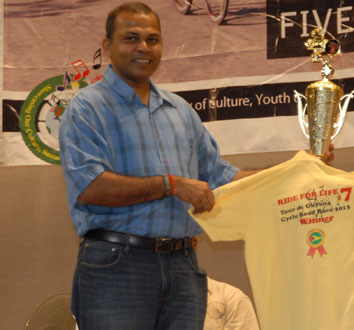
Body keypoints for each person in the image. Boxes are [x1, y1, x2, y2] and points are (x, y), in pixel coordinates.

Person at [59, 2, 260, 329]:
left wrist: (296, 169)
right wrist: (171, 185)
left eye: (153, 39)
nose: (143, 47)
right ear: (107, 46)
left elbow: (224, 178)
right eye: (131, 38)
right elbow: (90, 187)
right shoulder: (86, 108)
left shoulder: (180, 111)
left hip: (182, 265)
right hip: (117, 267)